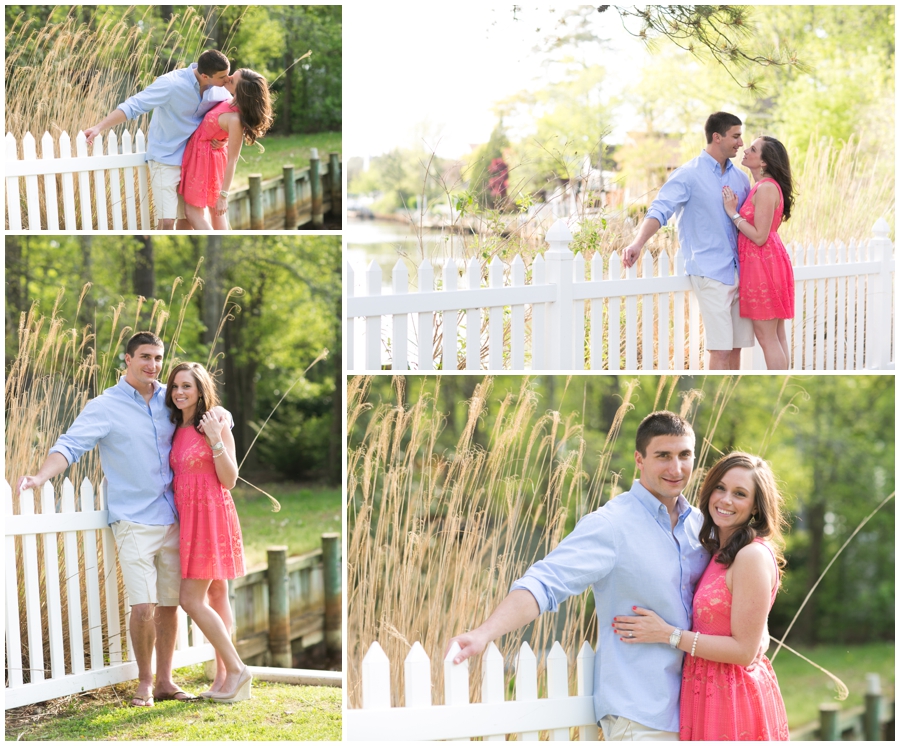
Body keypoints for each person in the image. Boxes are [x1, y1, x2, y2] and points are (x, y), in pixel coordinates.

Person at [448, 411, 710, 740]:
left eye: (684, 455)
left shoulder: (701, 526)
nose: (676, 468)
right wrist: (484, 633)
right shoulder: (611, 525)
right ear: (639, 459)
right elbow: (544, 583)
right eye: (663, 456)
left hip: (699, 711)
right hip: (641, 715)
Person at [16, 332, 228, 707]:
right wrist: (39, 477)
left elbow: (207, 412)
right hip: (132, 519)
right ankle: (145, 682)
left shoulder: (170, 398)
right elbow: (69, 445)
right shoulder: (105, 406)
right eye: (145, 357)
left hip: (175, 517)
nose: (153, 365)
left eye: (159, 358)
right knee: (144, 607)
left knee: (168, 605)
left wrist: (222, 415)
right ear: (127, 360)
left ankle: (165, 681)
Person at [612, 452, 789, 740]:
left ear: (756, 506)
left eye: (740, 494)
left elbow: (744, 651)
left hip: (731, 696)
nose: (726, 500)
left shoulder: (751, 556)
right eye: (720, 487)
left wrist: (668, 634)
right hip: (704, 690)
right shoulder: (719, 552)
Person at [622, 112, 754, 371]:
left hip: (741, 271)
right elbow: (660, 210)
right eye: (736, 136)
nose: (741, 143)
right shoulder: (688, 174)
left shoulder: (741, 178)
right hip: (710, 272)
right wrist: (638, 243)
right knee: (721, 351)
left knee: (736, 349)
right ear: (717, 137)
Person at [164, 362, 251, 702]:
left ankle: (236, 670)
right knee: (216, 595)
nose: (179, 392)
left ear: (201, 389)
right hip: (189, 517)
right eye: (175, 387)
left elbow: (229, 479)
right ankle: (223, 680)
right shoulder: (175, 426)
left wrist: (216, 438)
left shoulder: (214, 422)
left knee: (191, 599)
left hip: (212, 514)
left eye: (187, 386)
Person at [84, 50, 233, 230]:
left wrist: (225, 138)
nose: (228, 80)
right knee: (167, 221)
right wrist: (99, 127)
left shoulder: (220, 90)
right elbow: (134, 105)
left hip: (194, 161)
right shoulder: (171, 84)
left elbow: (229, 116)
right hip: (166, 158)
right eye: (223, 77)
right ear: (204, 76)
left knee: (187, 219)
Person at [723, 136, 795, 370]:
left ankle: (779, 388)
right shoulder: (766, 187)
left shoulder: (765, 188)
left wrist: (733, 213)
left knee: (768, 337)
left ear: (764, 162)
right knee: (777, 335)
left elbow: (759, 236)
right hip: (770, 261)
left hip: (762, 265)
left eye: (753, 149)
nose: (745, 150)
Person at [179, 69, 274, 230]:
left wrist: (224, 195)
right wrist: (224, 139)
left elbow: (233, 160)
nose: (228, 78)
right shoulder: (228, 99)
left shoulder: (235, 119)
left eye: (232, 80)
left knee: (192, 213)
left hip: (205, 163)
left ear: (240, 91)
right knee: (215, 214)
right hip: (205, 156)